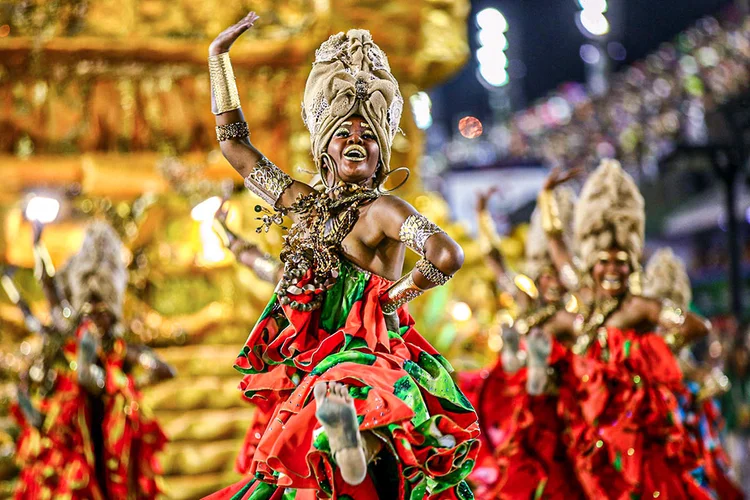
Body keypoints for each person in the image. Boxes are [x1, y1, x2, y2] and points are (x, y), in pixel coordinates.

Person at [205, 12, 479, 499]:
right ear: (323, 143)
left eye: (369, 135)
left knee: (355, 395)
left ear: (382, 153)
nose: (357, 139)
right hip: (312, 368)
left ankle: (354, 451)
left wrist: (395, 297)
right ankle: (346, 451)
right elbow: (236, 147)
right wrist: (218, 60)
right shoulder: (304, 205)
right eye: (345, 132)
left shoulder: (383, 209)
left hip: (368, 354)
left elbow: (446, 253)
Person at [540, 160, 713, 499]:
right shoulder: (582, 295)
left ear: (632, 264)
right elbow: (558, 249)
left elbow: (697, 325)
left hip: (630, 427)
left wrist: (654, 356)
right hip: (583, 423)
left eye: (621, 261)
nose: (612, 269)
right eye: (604, 260)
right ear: (592, 263)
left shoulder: (640, 306)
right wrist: (547, 197)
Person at [12, 222, 172, 499]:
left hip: (114, 438)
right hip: (76, 438)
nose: (95, 320)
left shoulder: (120, 347)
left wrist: (128, 386)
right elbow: (48, 285)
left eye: (102, 313)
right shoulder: (70, 336)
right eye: (90, 314)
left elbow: (164, 370)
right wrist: (37, 243)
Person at [461, 184, 585, 499]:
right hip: (518, 406)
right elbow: (496, 262)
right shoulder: (527, 304)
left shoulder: (571, 318)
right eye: (546, 276)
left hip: (558, 410)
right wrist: (481, 215)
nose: (552, 282)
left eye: (558, 275)